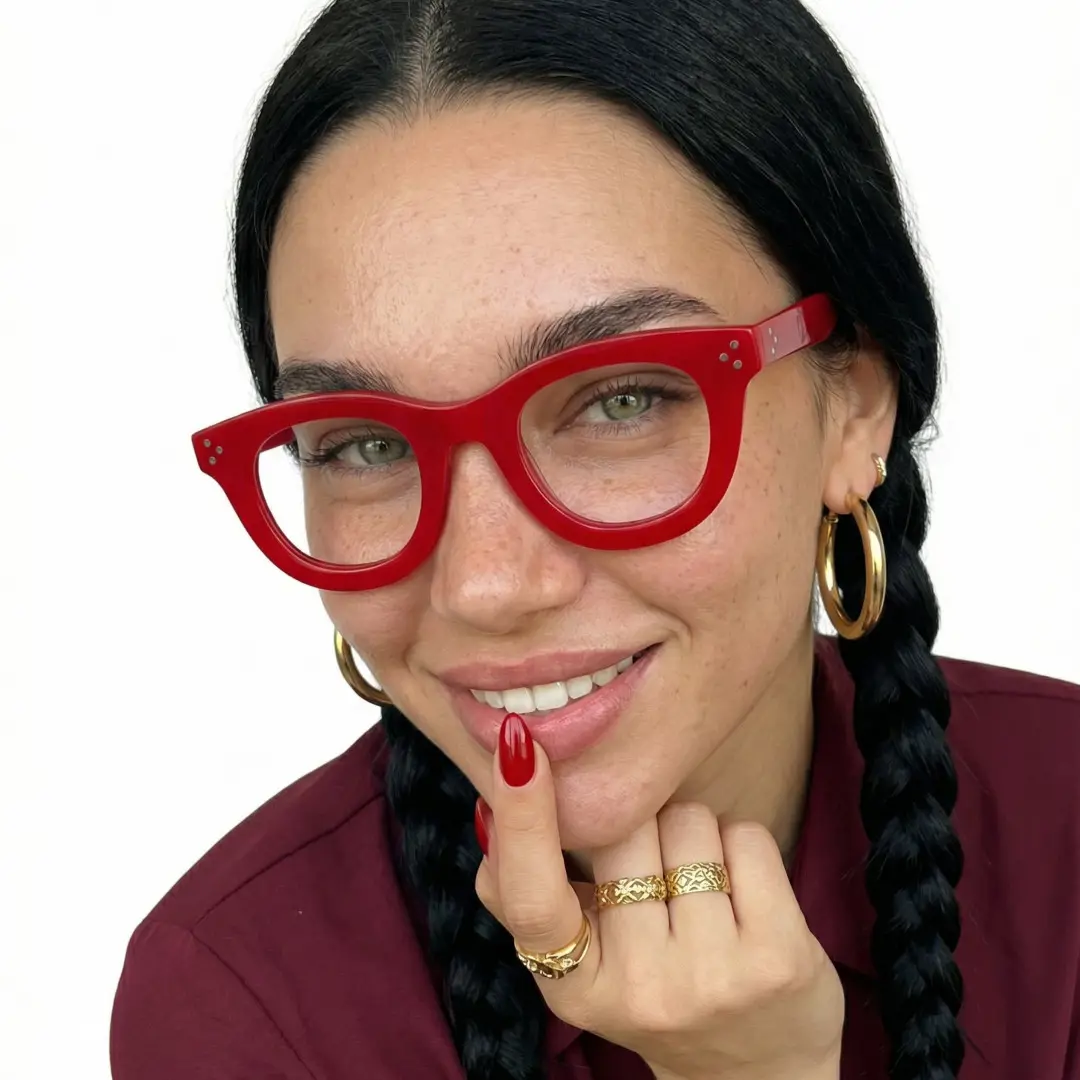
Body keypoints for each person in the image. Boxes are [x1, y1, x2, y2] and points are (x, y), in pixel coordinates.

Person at [109, 1, 1080, 1078]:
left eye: (620, 401)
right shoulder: (241, 1002)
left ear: (855, 407)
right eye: (364, 444)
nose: (484, 584)